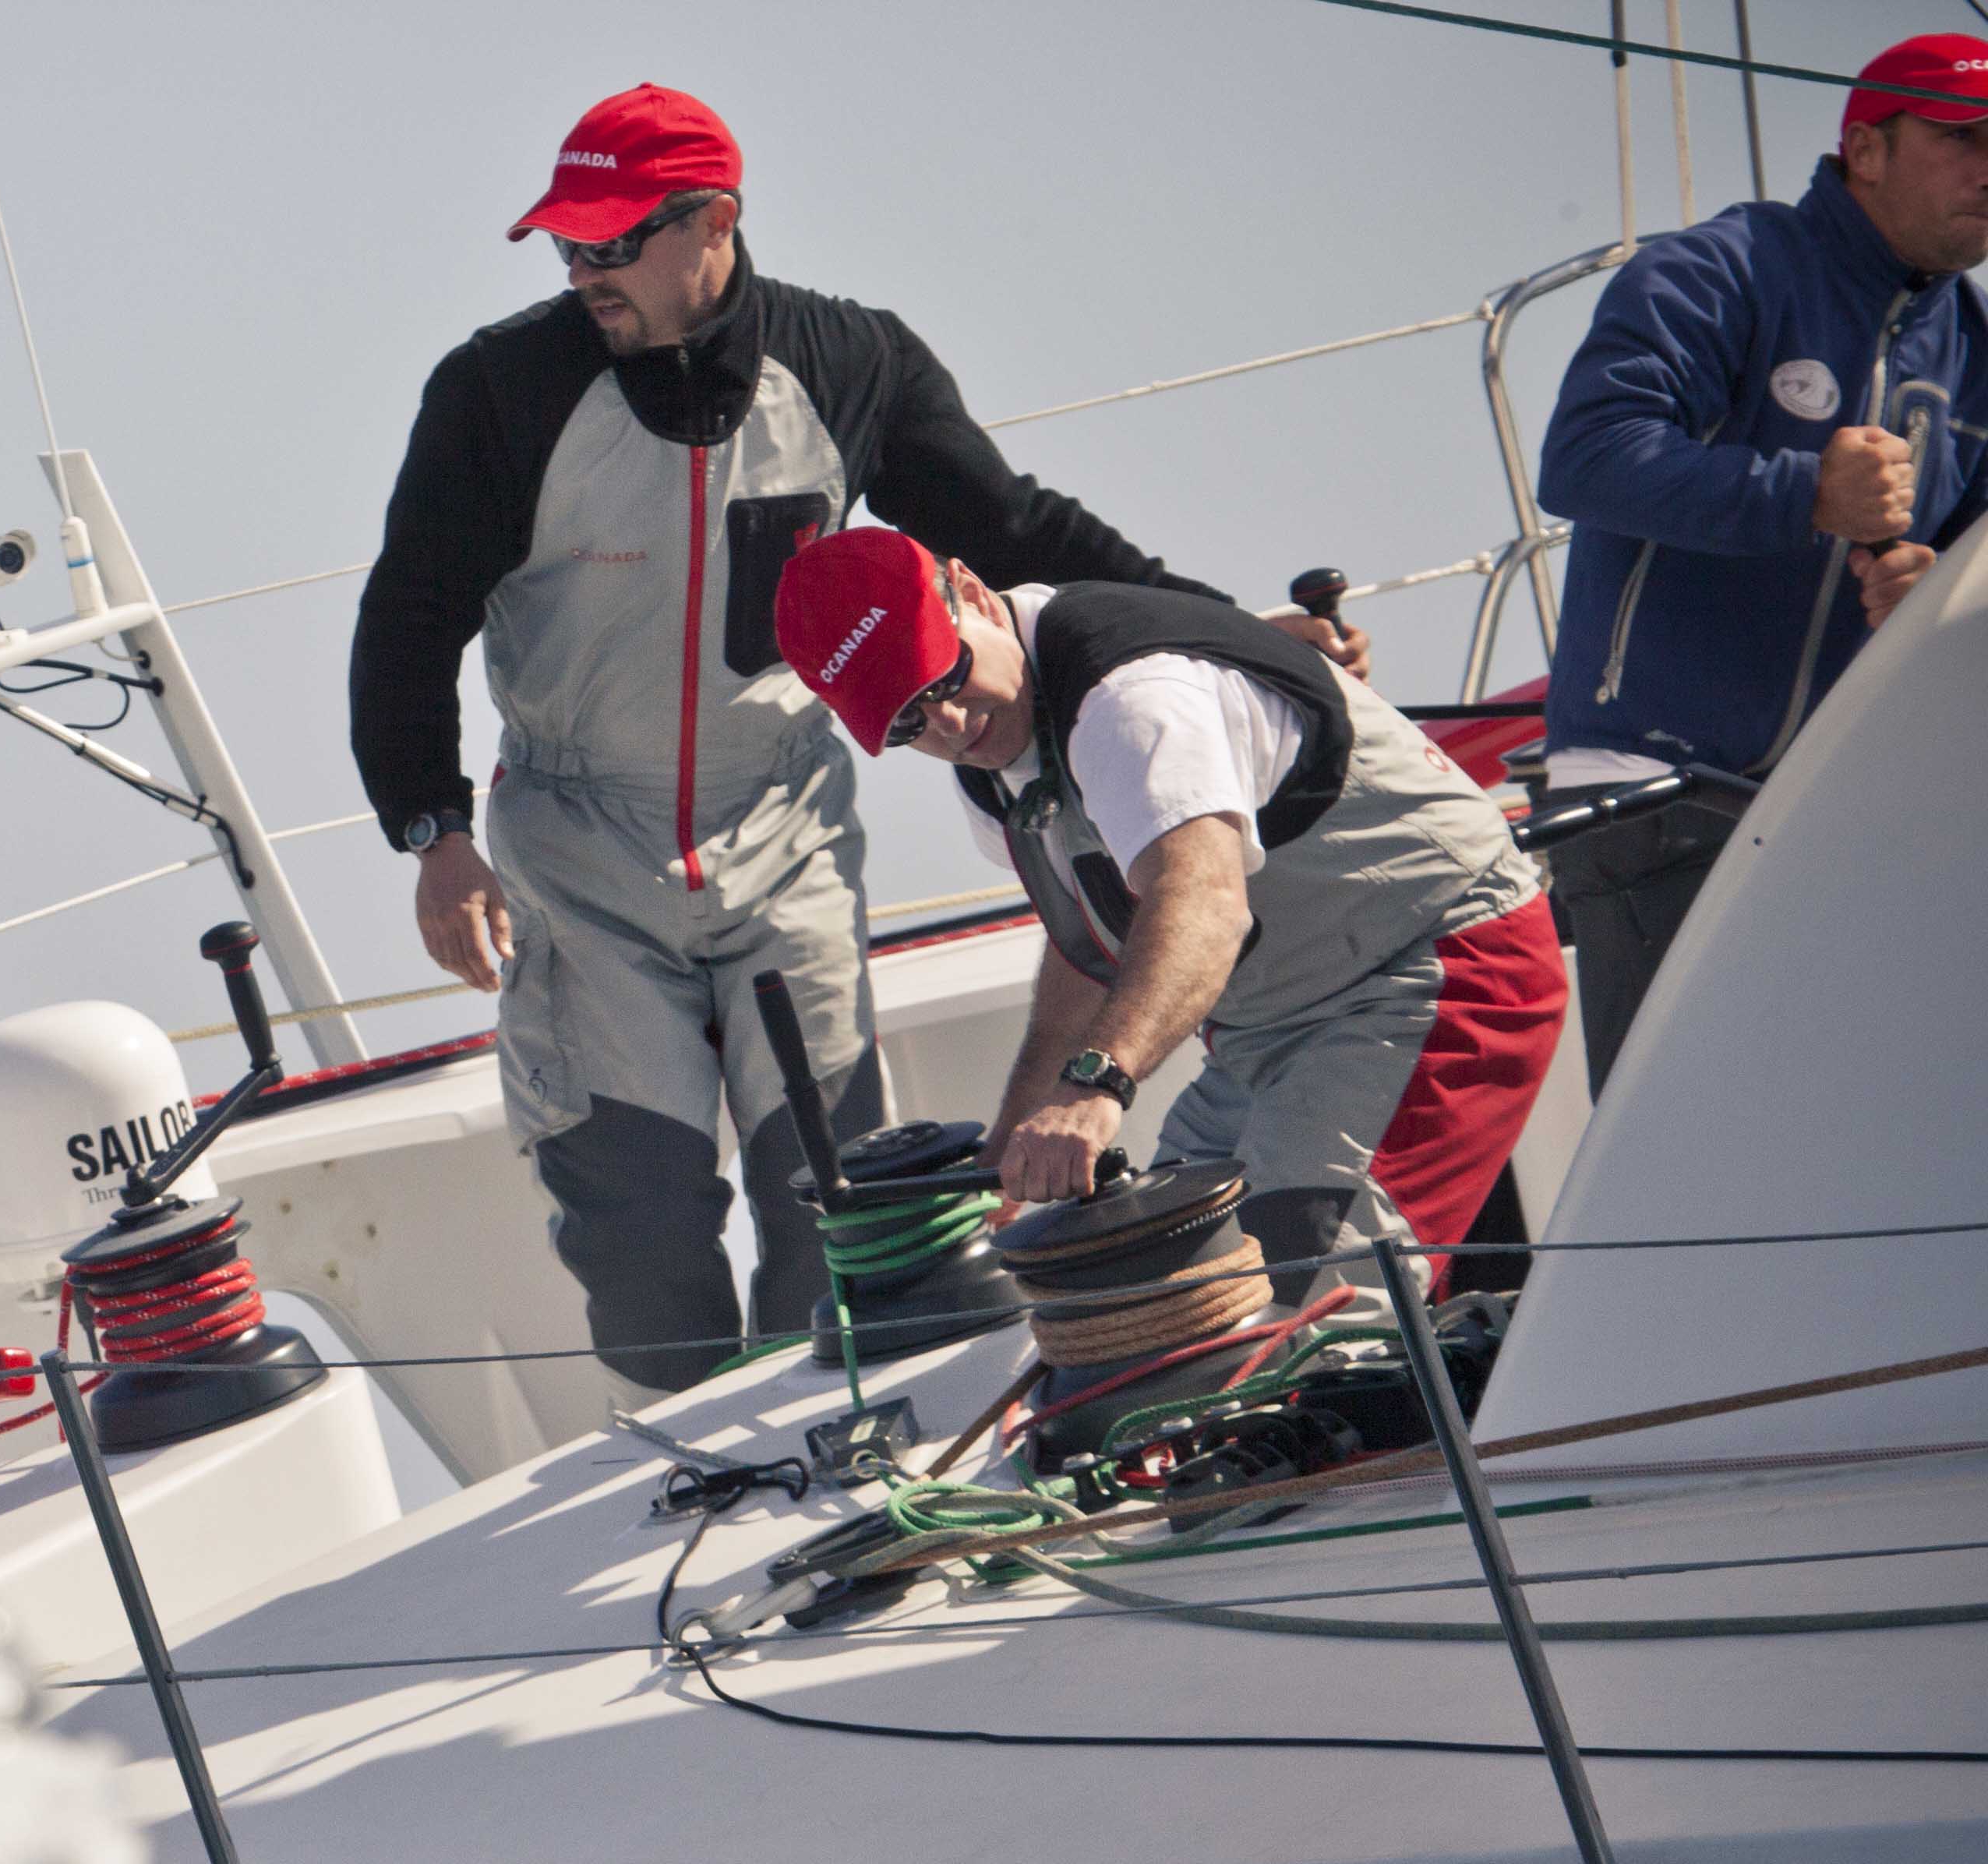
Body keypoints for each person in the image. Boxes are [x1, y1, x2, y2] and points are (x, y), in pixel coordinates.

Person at [347, 82, 1366, 1397]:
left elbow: (1017, 528)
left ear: (713, 221)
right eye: (567, 246)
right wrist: (429, 830)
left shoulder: (848, 360)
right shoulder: (496, 392)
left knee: (837, 1201)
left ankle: (830, 1449)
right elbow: (409, 612)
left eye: (613, 242)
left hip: (782, 830)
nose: (584, 270)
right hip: (576, 847)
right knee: (640, 1224)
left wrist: (1229, 631)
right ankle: (695, 1465)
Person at [772, 526, 1559, 1292]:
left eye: (947, 674)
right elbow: (1090, 950)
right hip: (1271, 1035)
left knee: (1301, 1305)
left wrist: (1093, 1087)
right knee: (1163, 1281)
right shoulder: (990, 762)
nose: (949, 724)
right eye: (906, 719)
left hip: (1434, 969)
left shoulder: (1130, 694)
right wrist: (1005, 1165)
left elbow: (1206, 903)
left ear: (972, 594)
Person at [1535, 30, 1987, 1088]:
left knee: (1836, 1122)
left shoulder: (1976, 350)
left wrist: (1937, 591)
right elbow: (1587, 458)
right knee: (1681, 1130)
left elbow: (1969, 561)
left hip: (1832, 806)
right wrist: (1804, 496)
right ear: (1865, 151)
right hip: (1649, 786)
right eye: (1963, 138)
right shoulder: (1723, 267)